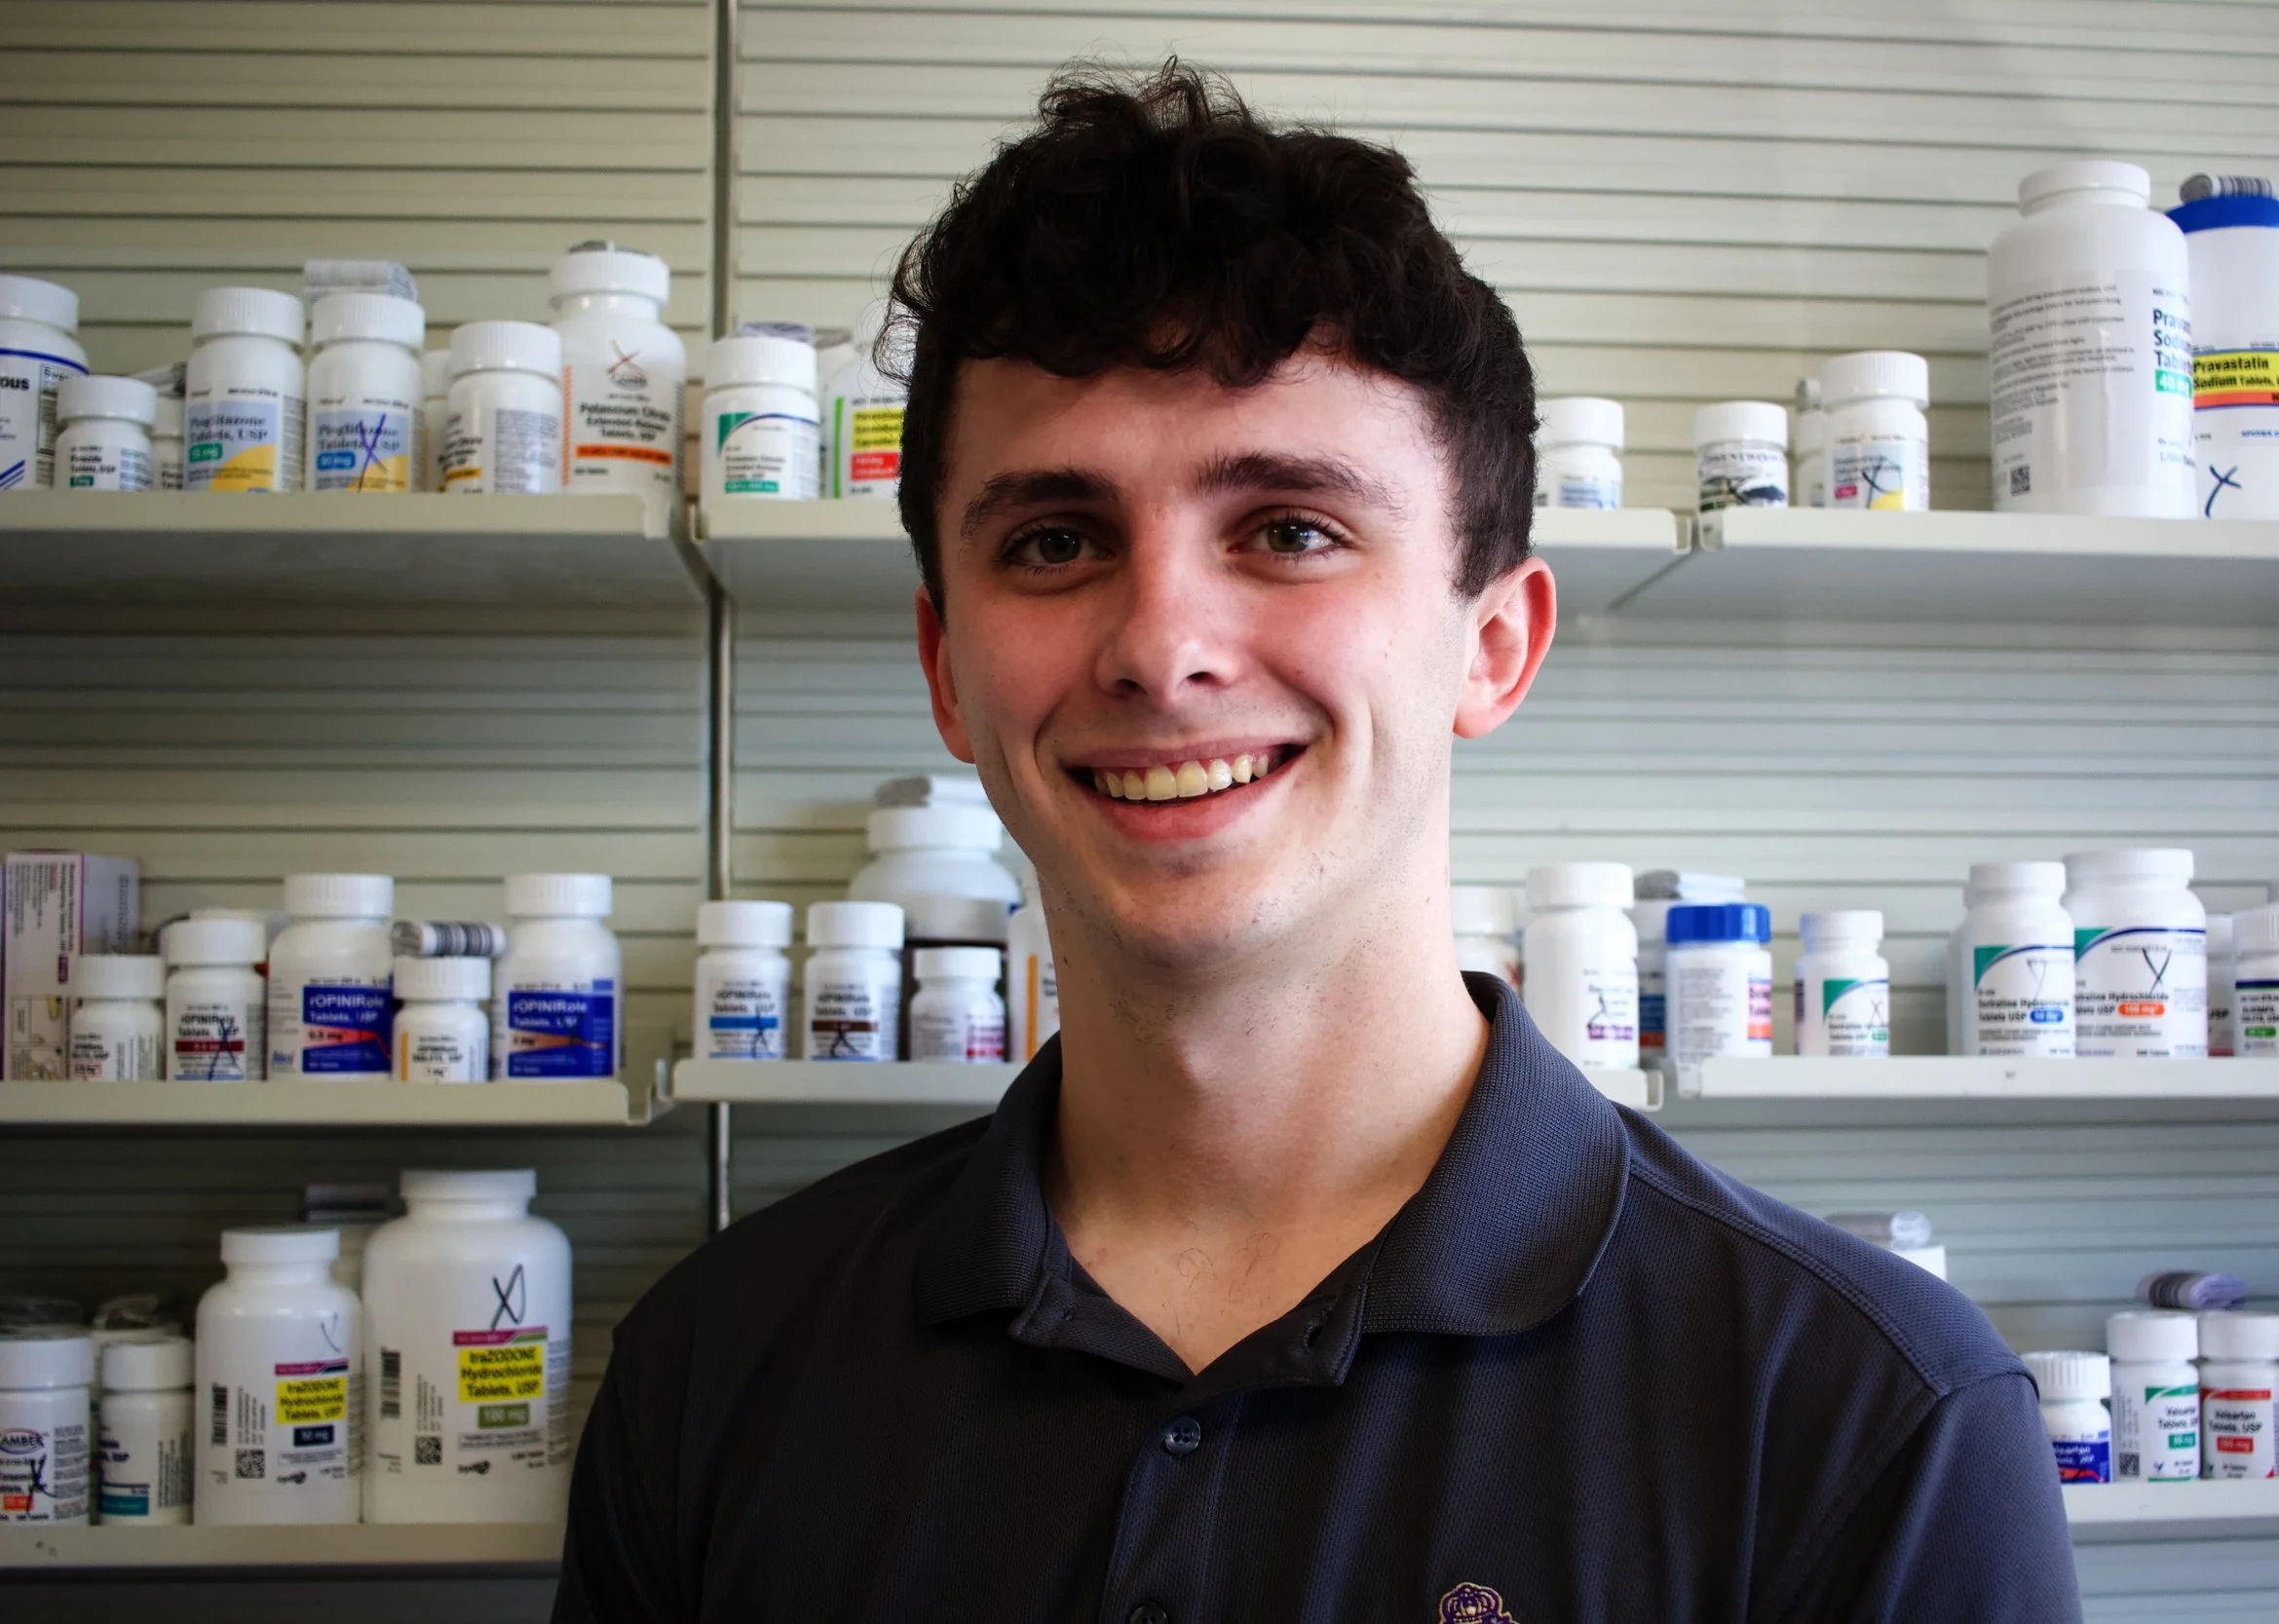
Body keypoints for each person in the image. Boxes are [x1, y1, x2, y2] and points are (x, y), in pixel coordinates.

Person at [555, 63, 2080, 1623]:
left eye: (1289, 528)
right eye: (1056, 540)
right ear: (948, 669)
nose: (1161, 646)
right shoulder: (713, 1371)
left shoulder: (1863, 1420)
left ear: (1494, 644)